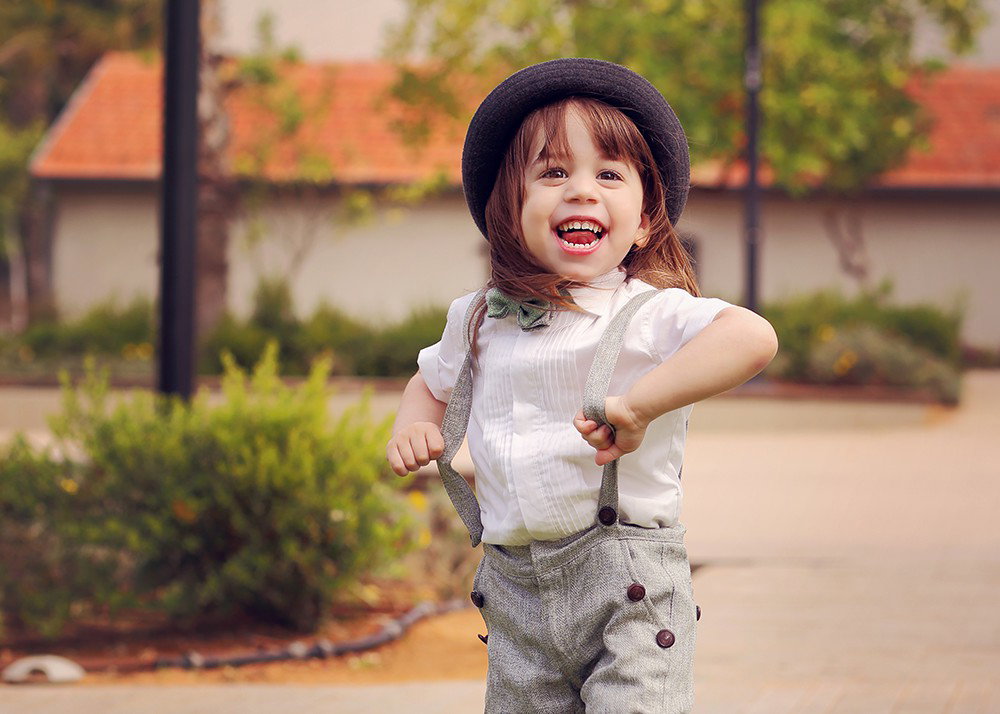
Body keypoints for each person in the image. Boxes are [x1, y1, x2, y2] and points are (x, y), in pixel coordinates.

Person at [386, 58, 778, 713]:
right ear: (510, 209)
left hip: (629, 589)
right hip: (515, 592)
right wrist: (413, 426)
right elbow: (429, 383)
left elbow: (751, 339)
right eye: (553, 172)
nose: (582, 191)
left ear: (646, 218)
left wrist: (642, 403)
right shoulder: (477, 316)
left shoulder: (650, 312)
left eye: (609, 175)